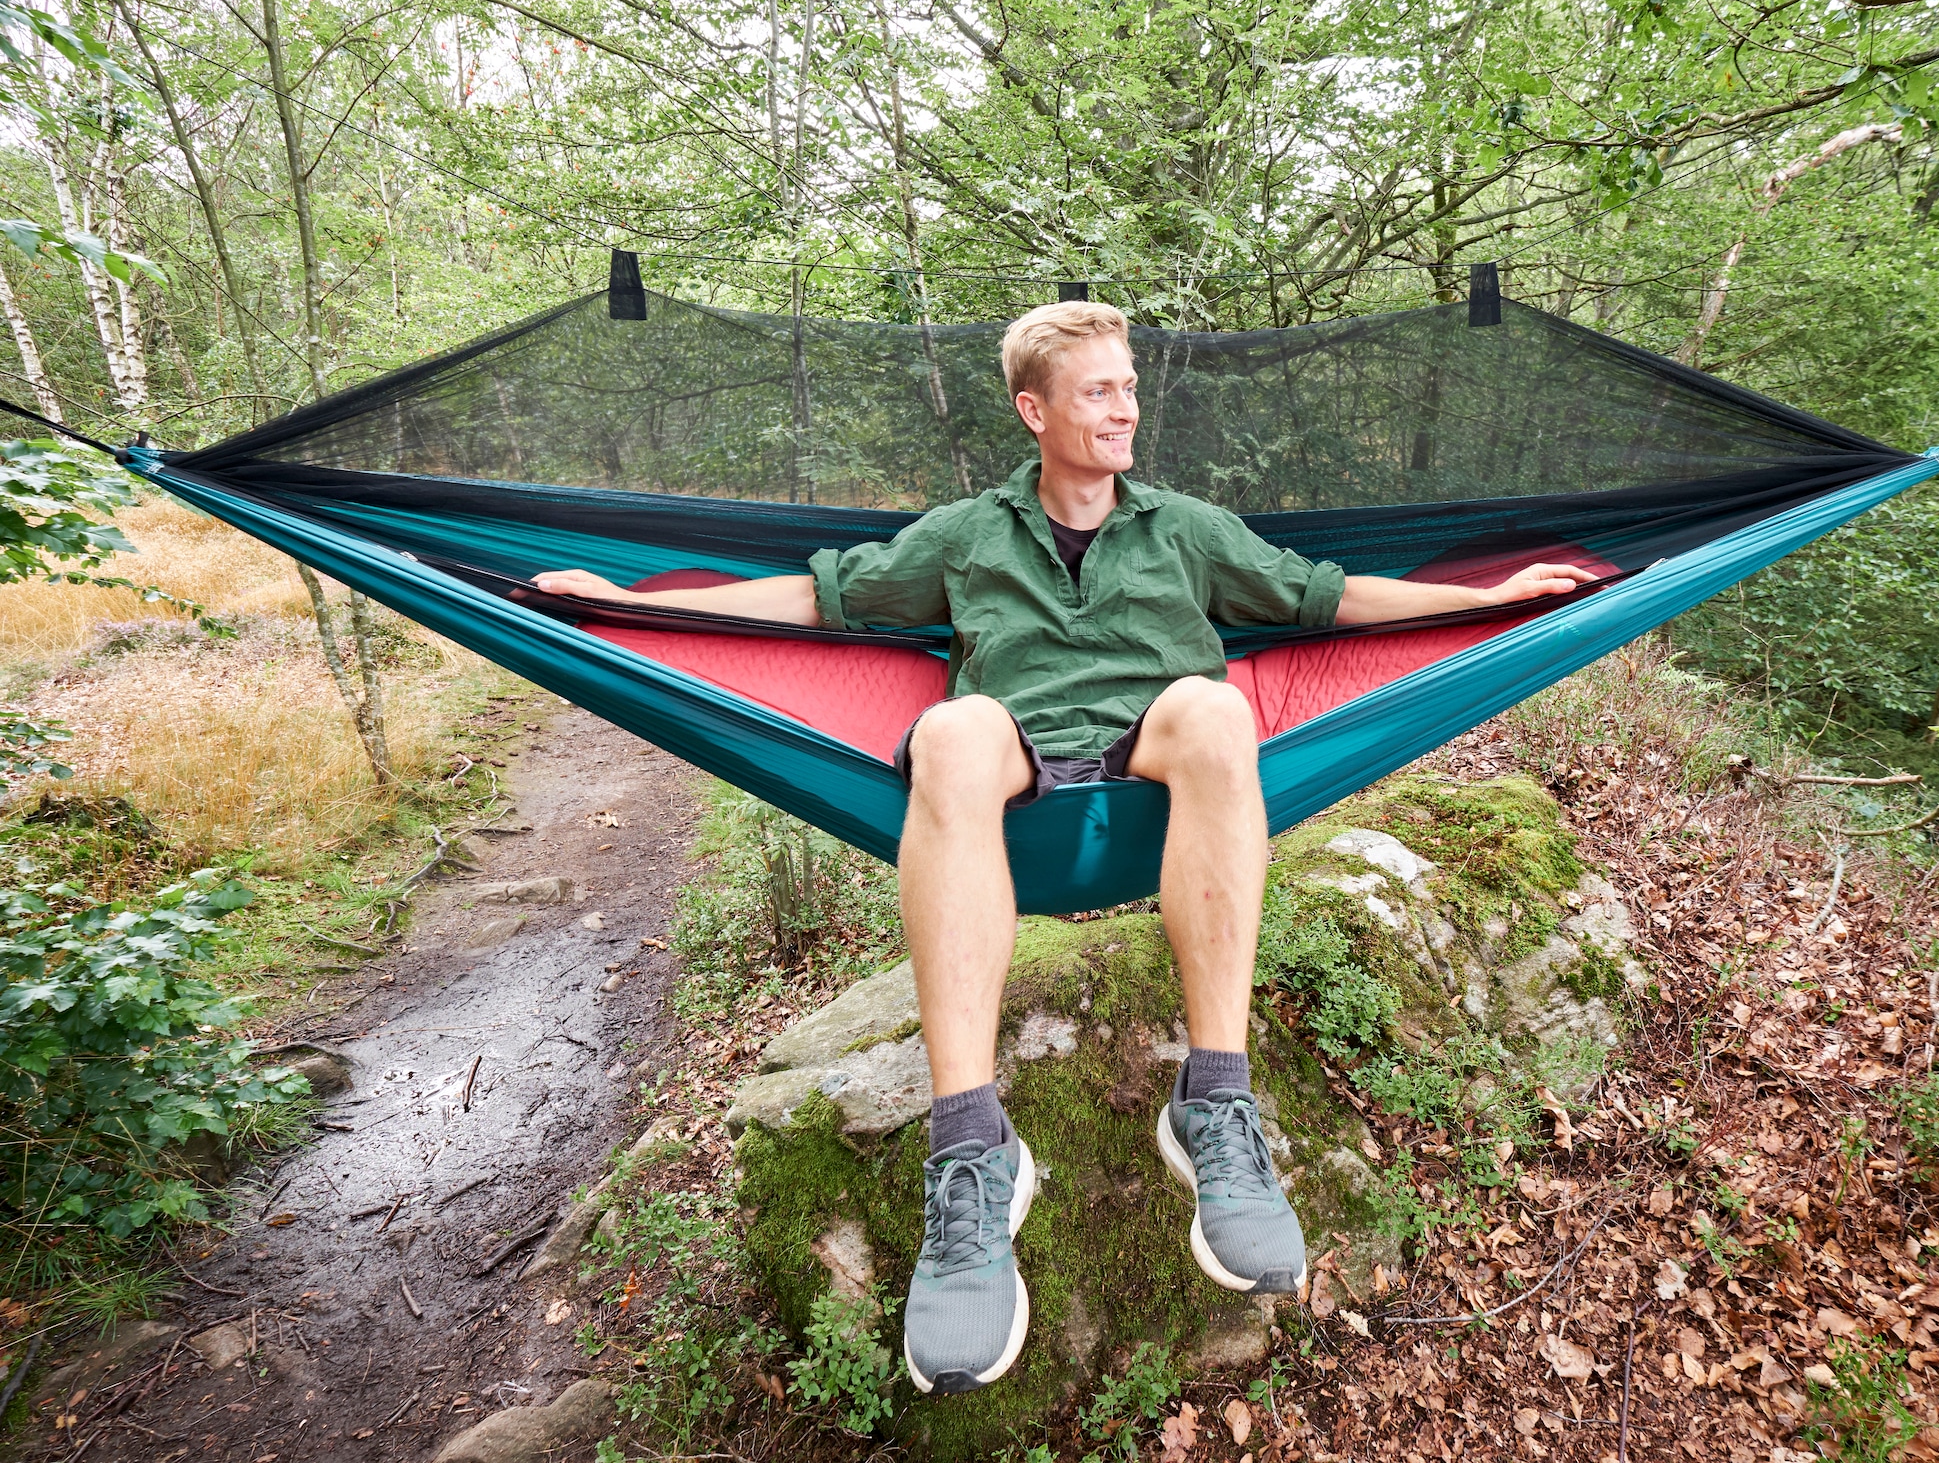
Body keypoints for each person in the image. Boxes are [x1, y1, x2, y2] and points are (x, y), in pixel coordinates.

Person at [531, 302, 1592, 1395]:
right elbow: (818, 595)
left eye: (1130, 386)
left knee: (1223, 712)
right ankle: (973, 1148)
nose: (1125, 406)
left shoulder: (1185, 526)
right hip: (1019, 759)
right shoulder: (966, 533)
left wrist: (1484, 599)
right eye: (1099, 389)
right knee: (947, 730)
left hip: (1152, 756)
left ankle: (1215, 1102)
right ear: (1034, 410)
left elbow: (1326, 597)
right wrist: (635, 605)